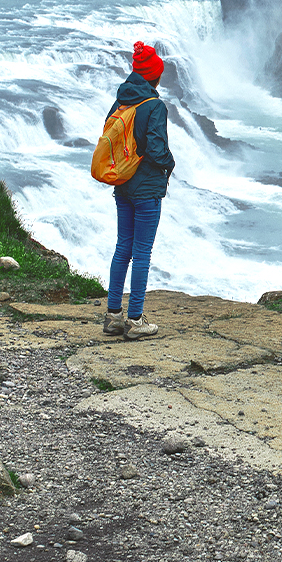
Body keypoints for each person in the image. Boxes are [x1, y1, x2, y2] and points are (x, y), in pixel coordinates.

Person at [103, 41, 174, 340]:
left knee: (123, 247)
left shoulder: (121, 101)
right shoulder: (154, 106)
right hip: (146, 189)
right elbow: (157, 150)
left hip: (123, 185)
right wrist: (170, 163)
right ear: (154, 78)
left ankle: (113, 317)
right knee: (142, 252)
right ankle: (135, 320)